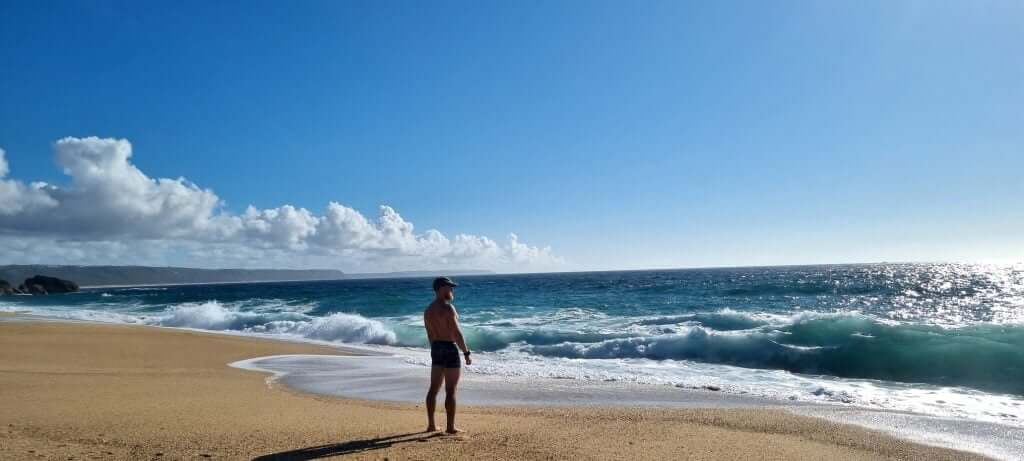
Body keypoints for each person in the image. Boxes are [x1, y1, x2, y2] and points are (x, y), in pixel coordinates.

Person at [423, 276, 471, 434]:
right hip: (449, 348)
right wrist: (466, 352)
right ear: (440, 288)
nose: (452, 290)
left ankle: (431, 425)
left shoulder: (428, 310)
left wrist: (434, 350)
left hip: (436, 348)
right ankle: (450, 427)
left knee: (433, 389)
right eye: (449, 287)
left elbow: (430, 335)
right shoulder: (448, 308)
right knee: (451, 390)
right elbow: (457, 333)